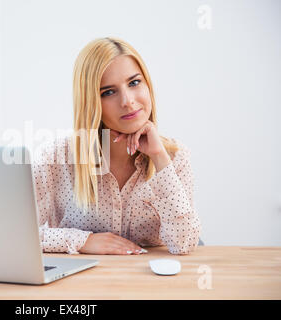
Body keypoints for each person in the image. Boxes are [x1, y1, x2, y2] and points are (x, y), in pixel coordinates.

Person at [31, 37, 201, 255]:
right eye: (108, 92)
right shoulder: (55, 157)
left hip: (152, 283)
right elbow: (12, 234)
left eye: (134, 83)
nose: (128, 101)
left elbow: (184, 243)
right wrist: (82, 241)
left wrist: (159, 157)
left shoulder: (174, 157)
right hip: (81, 285)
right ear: (91, 102)